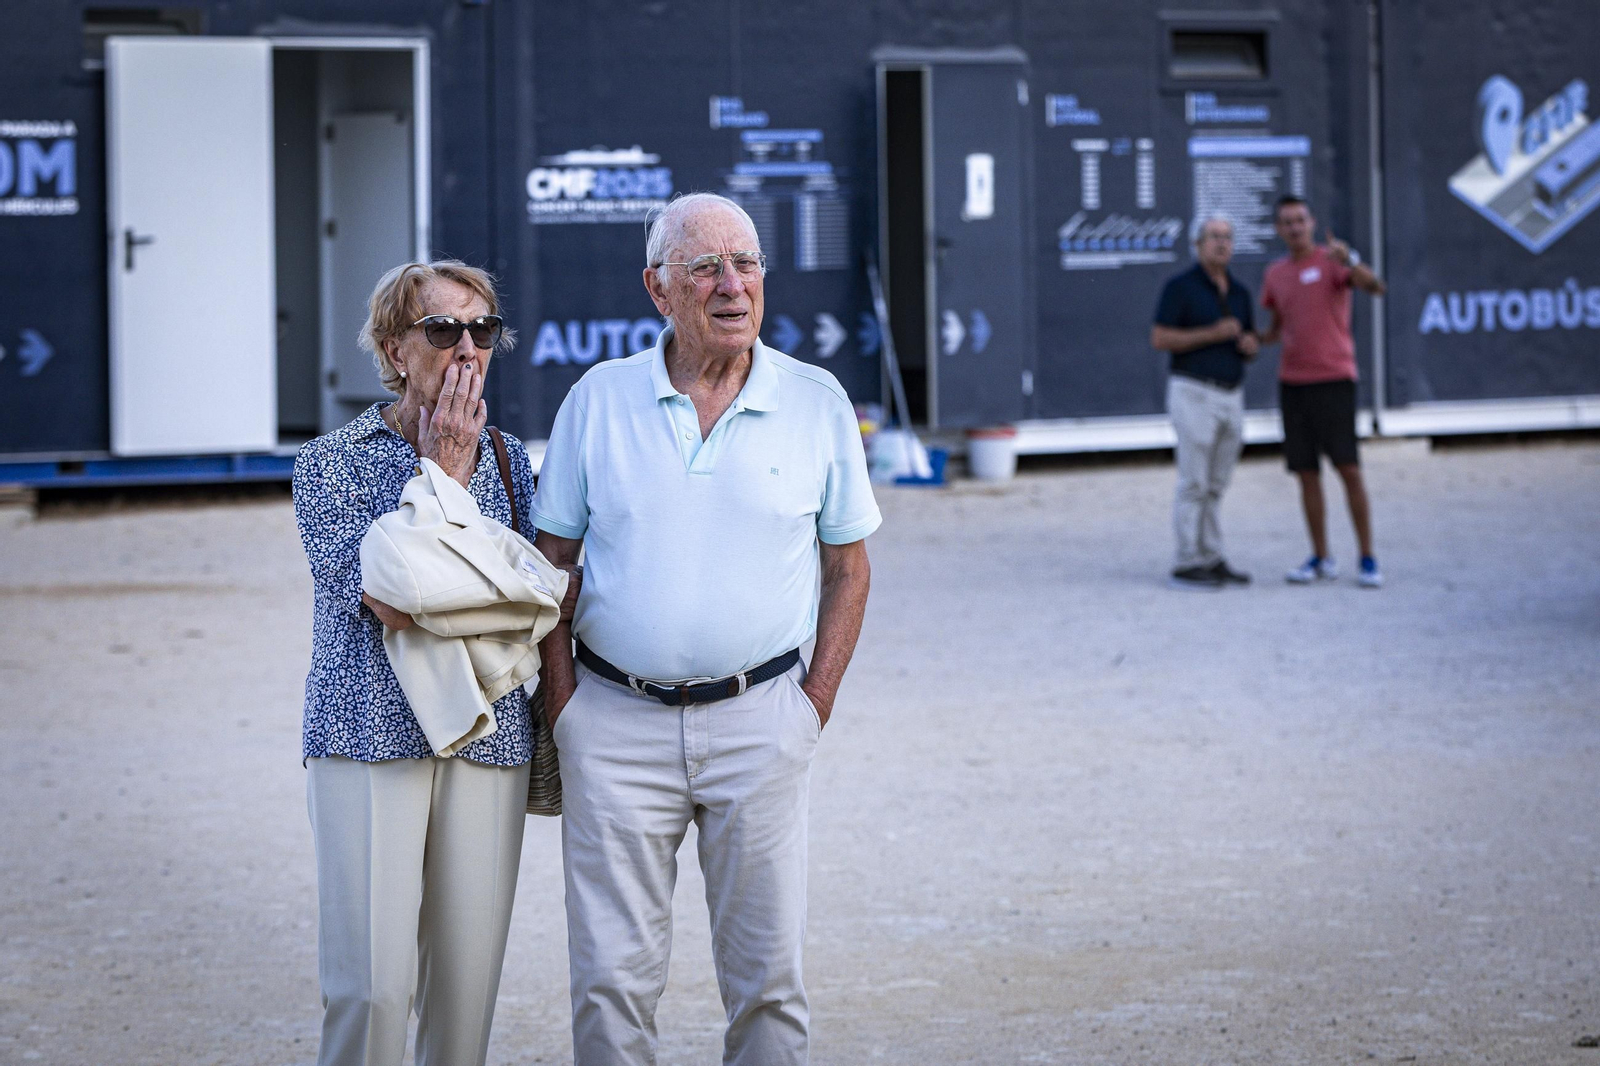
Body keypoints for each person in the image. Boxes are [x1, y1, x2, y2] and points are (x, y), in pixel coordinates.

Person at [531, 192, 880, 1066]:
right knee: (610, 984)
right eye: (706, 268)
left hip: (761, 722)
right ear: (658, 288)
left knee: (769, 985)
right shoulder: (597, 401)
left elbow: (849, 568)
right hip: (612, 724)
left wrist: (813, 706)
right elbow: (551, 567)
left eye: (748, 264)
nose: (734, 286)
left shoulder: (817, 401)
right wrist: (568, 707)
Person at [292, 260, 570, 1066]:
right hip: (365, 733)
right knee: (370, 990)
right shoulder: (329, 462)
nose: (467, 347)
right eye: (443, 329)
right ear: (394, 348)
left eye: (483, 330)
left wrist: (460, 588)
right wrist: (444, 477)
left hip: (488, 736)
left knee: (465, 994)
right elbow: (386, 599)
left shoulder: (515, 462)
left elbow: (540, 598)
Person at [1259, 195, 1388, 588]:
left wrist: (1348, 260)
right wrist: (1254, 341)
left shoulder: (1333, 262)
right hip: (1293, 384)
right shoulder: (1275, 274)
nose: (1295, 228)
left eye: (1300, 220)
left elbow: (1376, 288)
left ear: (1312, 223)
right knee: (1306, 474)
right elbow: (1278, 326)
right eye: (1287, 222)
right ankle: (1321, 556)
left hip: (1334, 380)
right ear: (1278, 229)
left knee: (1348, 469)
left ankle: (1367, 558)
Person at [1151, 214, 1260, 590]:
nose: (1222, 243)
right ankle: (1186, 561)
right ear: (1198, 244)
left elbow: (1246, 342)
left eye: (1228, 237)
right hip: (1193, 391)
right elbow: (1161, 338)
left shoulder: (1240, 293)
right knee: (1194, 481)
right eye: (1214, 236)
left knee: (1217, 482)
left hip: (1231, 393)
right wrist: (1211, 333)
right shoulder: (1181, 287)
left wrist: (1249, 347)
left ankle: (1211, 556)